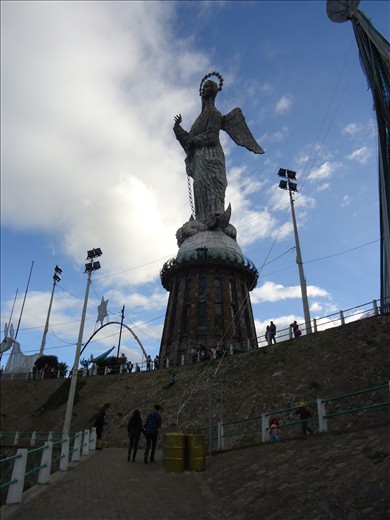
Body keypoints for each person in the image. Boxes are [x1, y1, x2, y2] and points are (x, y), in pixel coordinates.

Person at [173, 72, 263, 227]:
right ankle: (202, 219)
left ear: (214, 91)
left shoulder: (215, 114)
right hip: (200, 159)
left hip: (211, 157)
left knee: (213, 184)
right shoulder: (199, 119)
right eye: (204, 86)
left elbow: (212, 136)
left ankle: (215, 217)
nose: (205, 88)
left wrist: (195, 140)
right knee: (199, 185)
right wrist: (177, 128)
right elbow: (188, 142)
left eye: (209, 86)